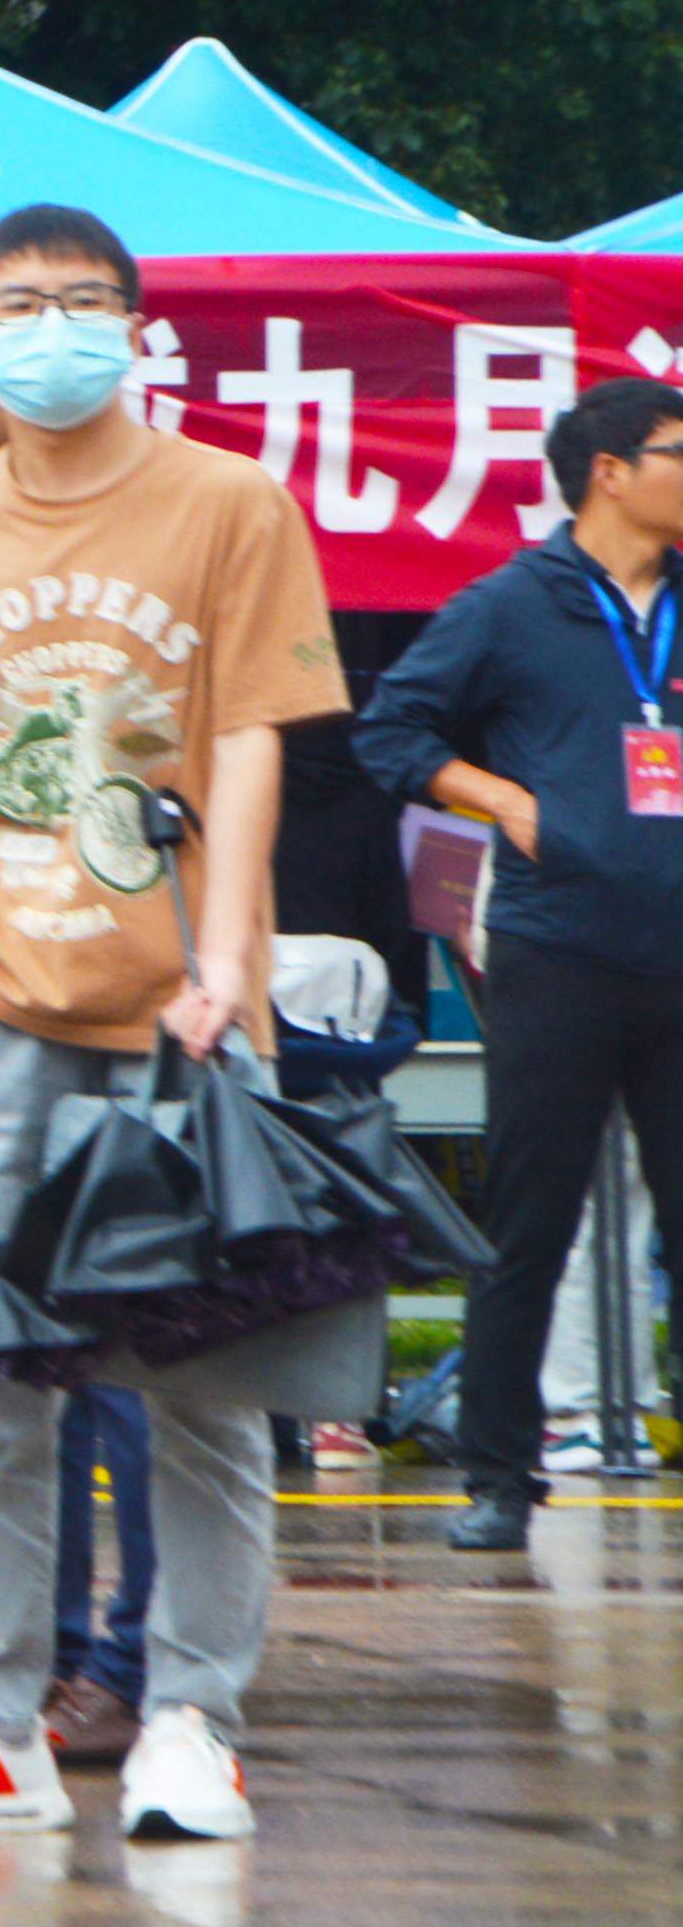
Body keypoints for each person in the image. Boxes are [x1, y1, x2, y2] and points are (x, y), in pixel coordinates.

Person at [0, 203, 336, 1847]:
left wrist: (229, 953)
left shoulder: (226, 503)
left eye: (85, 299)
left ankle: (193, 1717)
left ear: (135, 323)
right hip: (1, 1006)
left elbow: (249, 735)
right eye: (19, 306)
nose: (54, 329)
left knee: (204, 1386)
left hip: (189, 1010)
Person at [353, 373, 683, 1553]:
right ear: (612, 472)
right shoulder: (510, 604)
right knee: (530, 1220)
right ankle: (499, 1471)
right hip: (558, 952)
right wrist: (496, 796)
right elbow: (390, 727)